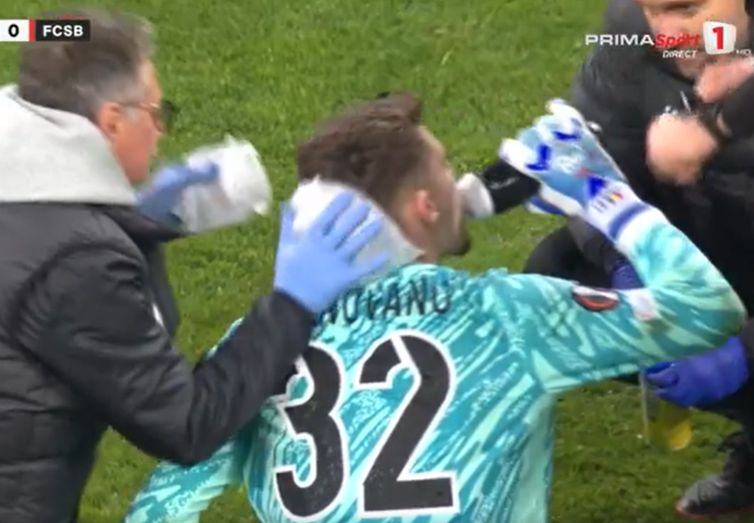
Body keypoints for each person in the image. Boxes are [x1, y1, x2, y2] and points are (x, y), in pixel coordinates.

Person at [0, 9, 388, 523]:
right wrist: (293, 300)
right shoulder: (79, 263)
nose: (161, 131)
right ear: (111, 121)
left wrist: (137, 220)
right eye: (156, 113)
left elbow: (15, 259)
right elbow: (187, 424)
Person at [123, 94, 744, 523]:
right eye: (447, 169)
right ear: (424, 205)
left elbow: (162, 506)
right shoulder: (508, 316)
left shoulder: (253, 348)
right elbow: (704, 307)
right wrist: (601, 192)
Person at [468, 1, 754, 518]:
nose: (668, 32)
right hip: (720, 231)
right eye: (654, 9)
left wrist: (747, 352)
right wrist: (633, 267)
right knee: (563, 281)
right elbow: (596, 162)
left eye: (688, 7)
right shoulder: (632, 39)